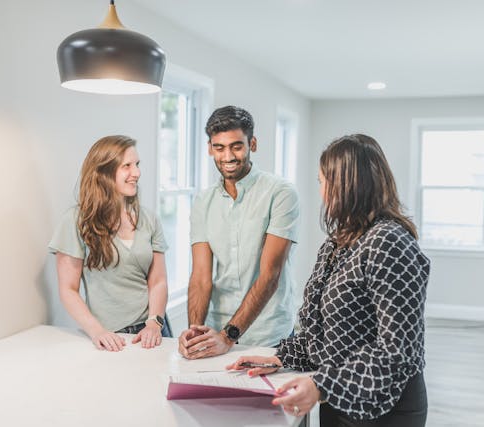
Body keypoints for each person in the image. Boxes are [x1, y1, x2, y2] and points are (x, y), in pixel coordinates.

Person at [228, 134, 430, 427]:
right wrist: (280, 357)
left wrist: (322, 386)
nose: (320, 191)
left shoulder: (389, 242)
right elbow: (323, 331)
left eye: (322, 181)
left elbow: (396, 350)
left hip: (383, 408)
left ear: (347, 185)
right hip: (339, 397)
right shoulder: (339, 241)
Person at [178, 106, 300, 359]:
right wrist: (195, 332)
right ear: (210, 148)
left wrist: (228, 336)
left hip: (268, 334)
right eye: (219, 147)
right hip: (216, 331)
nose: (228, 156)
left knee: (263, 399)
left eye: (236, 146)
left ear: (252, 144)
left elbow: (270, 275)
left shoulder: (280, 193)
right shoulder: (203, 201)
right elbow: (201, 277)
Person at [49, 135, 170, 352]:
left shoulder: (149, 219)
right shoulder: (76, 221)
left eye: (137, 165)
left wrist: (155, 323)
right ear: (104, 172)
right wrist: (97, 331)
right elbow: (68, 289)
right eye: (127, 166)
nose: (137, 173)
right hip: (111, 337)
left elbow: (158, 281)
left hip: (153, 331)